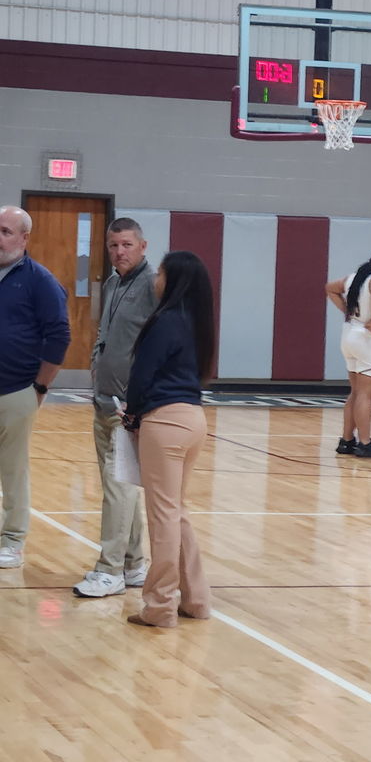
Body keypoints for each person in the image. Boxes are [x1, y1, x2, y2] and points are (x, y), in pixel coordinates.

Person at [121, 251, 214, 627]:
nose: (155, 278)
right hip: (194, 420)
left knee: (162, 517)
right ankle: (196, 599)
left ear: (172, 279)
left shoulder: (165, 321)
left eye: (160, 272)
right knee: (177, 512)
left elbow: (141, 376)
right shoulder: (196, 322)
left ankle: (159, 606)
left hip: (165, 423)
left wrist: (131, 414)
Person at [73, 218, 158, 598]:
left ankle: (109, 570)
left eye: (126, 245)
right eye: (113, 246)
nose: (119, 252)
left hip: (129, 408)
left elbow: (162, 344)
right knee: (123, 488)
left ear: (143, 246)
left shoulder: (154, 286)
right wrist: (95, 361)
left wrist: (140, 399)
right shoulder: (111, 284)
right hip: (102, 400)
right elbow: (105, 335)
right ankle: (135, 564)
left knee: (117, 489)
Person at [0, 205, 70, 568]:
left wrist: (40, 388)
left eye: (6, 231)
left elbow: (59, 335)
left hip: (16, 392)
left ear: (24, 238)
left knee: (12, 469)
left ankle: (12, 540)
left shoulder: (40, 281)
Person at [325, 253, 371, 457]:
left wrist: (346, 310)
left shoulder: (353, 277)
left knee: (356, 392)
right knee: (366, 394)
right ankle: (365, 442)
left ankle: (347, 440)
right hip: (369, 340)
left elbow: (329, 288)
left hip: (350, 335)